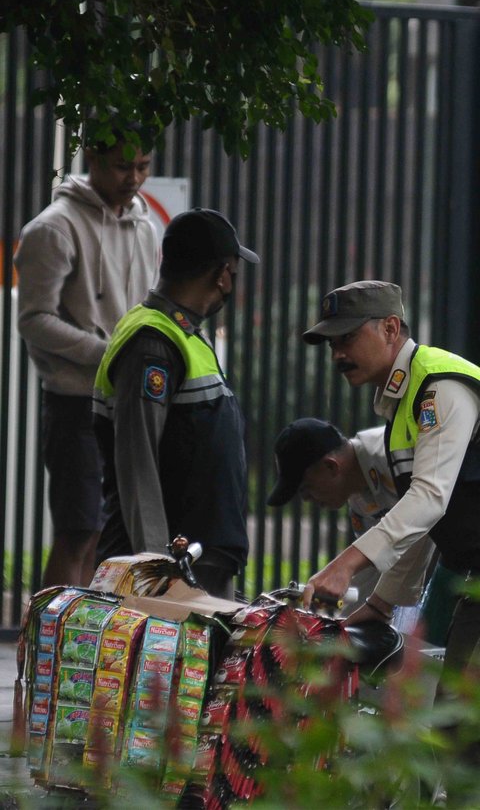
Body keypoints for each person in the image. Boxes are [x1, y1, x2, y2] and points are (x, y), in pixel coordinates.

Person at [301, 279, 480, 679]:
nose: (338, 354)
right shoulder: (401, 402)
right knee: (455, 724)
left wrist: (345, 565)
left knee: (462, 727)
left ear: (390, 329)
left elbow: (429, 498)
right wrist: (382, 605)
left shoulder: (438, 386)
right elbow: (425, 518)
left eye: (346, 337)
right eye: (332, 344)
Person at [14, 122, 160, 588]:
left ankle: (81, 649)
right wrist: (111, 353)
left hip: (129, 401)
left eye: (143, 166)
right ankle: (45, 653)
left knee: (111, 538)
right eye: (122, 166)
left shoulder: (146, 226)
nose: (134, 177)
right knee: (78, 531)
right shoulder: (53, 229)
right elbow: (33, 319)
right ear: (93, 160)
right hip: (75, 401)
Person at [93, 208, 260, 599]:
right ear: (222, 275)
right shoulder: (153, 342)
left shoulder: (180, 332)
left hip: (198, 561)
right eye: (233, 274)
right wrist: (157, 567)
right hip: (171, 572)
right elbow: (138, 461)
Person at [267, 417, 434, 613]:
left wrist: (378, 605)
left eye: (306, 489)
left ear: (331, 466)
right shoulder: (358, 496)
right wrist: (341, 629)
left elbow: (424, 523)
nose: (306, 500)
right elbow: (374, 568)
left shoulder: (394, 454)